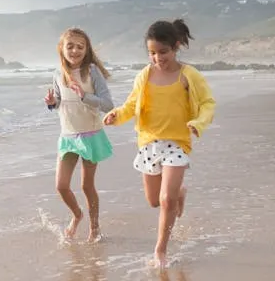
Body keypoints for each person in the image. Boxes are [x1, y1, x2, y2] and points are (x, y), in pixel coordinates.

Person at [103, 19, 215, 267]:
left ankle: (160, 251)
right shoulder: (145, 75)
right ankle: (179, 193)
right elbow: (132, 105)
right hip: (149, 143)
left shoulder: (188, 75)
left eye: (163, 52)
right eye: (152, 53)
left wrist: (198, 123)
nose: (158, 59)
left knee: (166, 201)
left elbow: (208, 103)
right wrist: (116, 116)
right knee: (154, 201)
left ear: (175, 47)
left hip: (177, 144)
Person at [45, 27, 115, 243]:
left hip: (90, 135)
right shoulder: (58, 74)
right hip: (68, 136)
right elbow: (59, 102)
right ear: (61, 49)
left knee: (86, 185)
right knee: (61, 186)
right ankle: (77, 215)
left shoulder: (92, 72)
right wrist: (51, 103)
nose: (75, 50)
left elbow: (108, 105)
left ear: (86, 50)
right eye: (70, 46)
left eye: (80, 47)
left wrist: (85, 96)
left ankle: (94, 227)